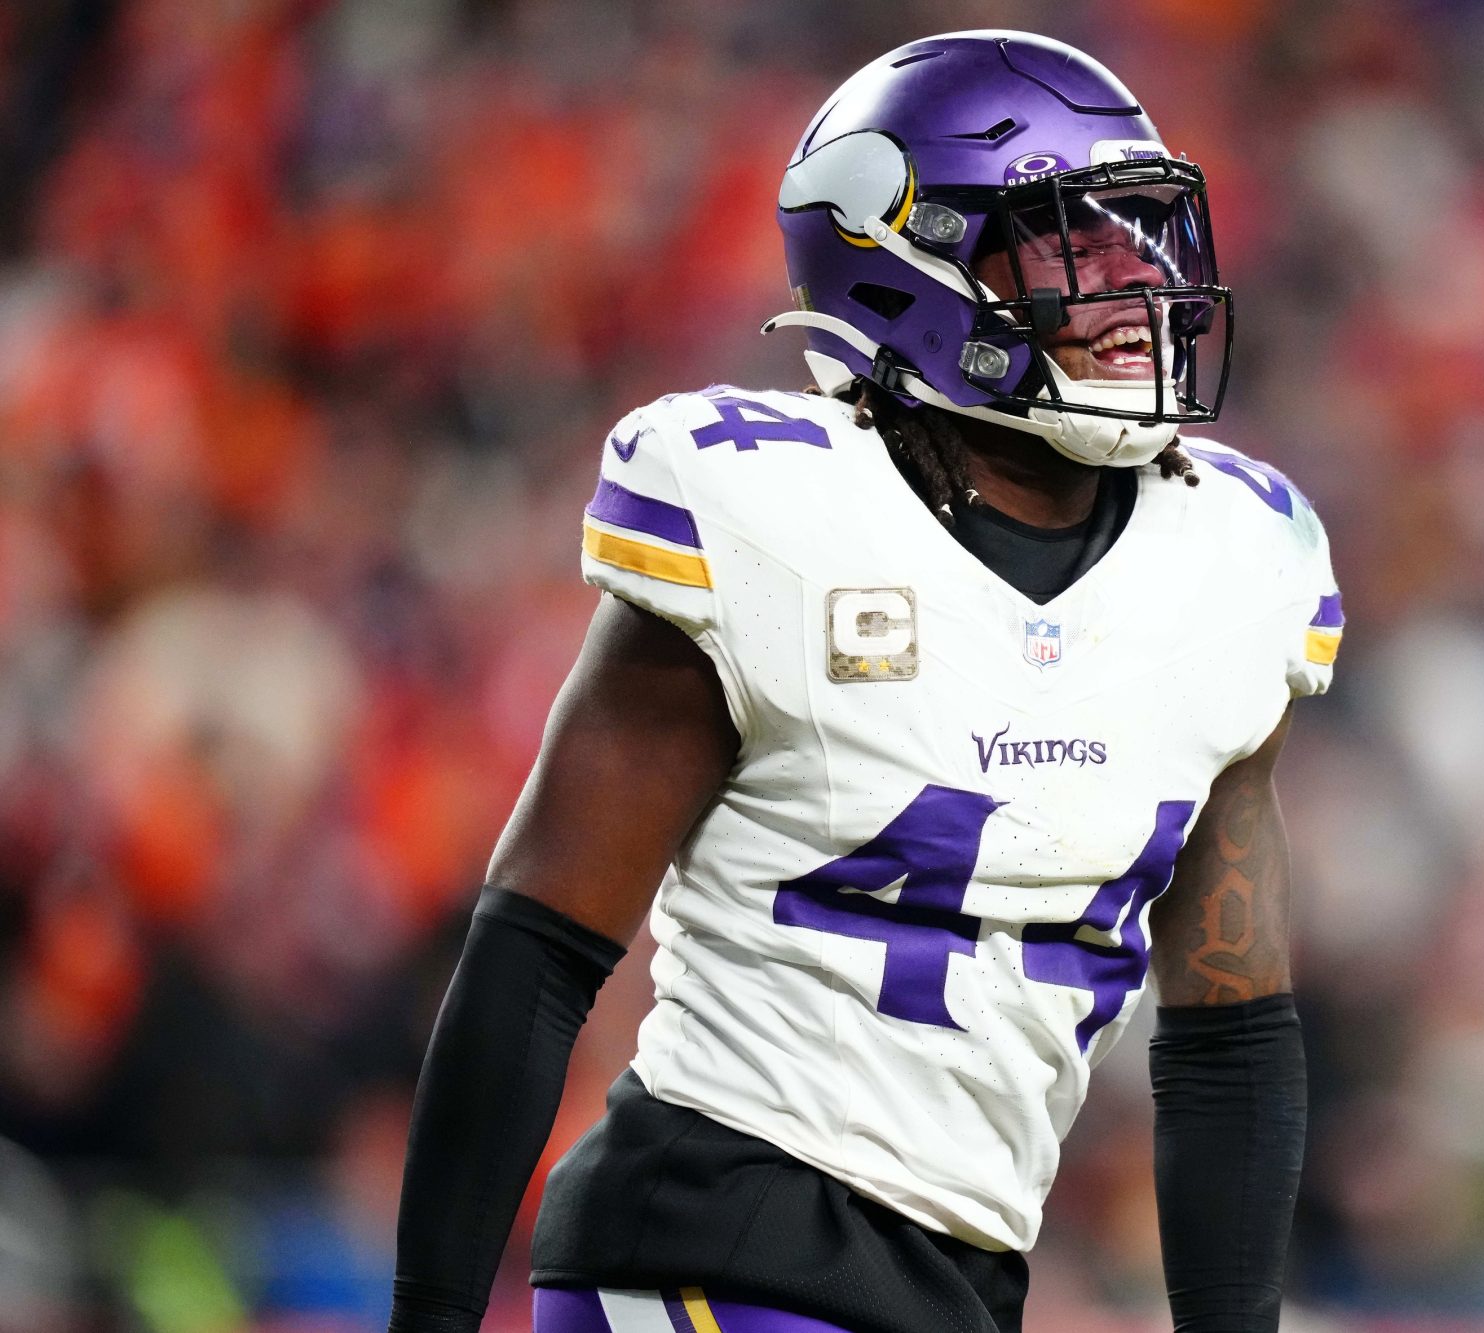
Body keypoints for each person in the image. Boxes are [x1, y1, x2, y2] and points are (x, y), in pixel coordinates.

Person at [386, 29, 1343, 1333]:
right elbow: (536, 953)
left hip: (957, 1278)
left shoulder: (1229, 560)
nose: (1132, 288)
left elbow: (1232, 1035)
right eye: (1072, 242)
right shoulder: (769, 509)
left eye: (1143, 239)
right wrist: (432, 1315)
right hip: (709, 1233)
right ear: (910, 264)